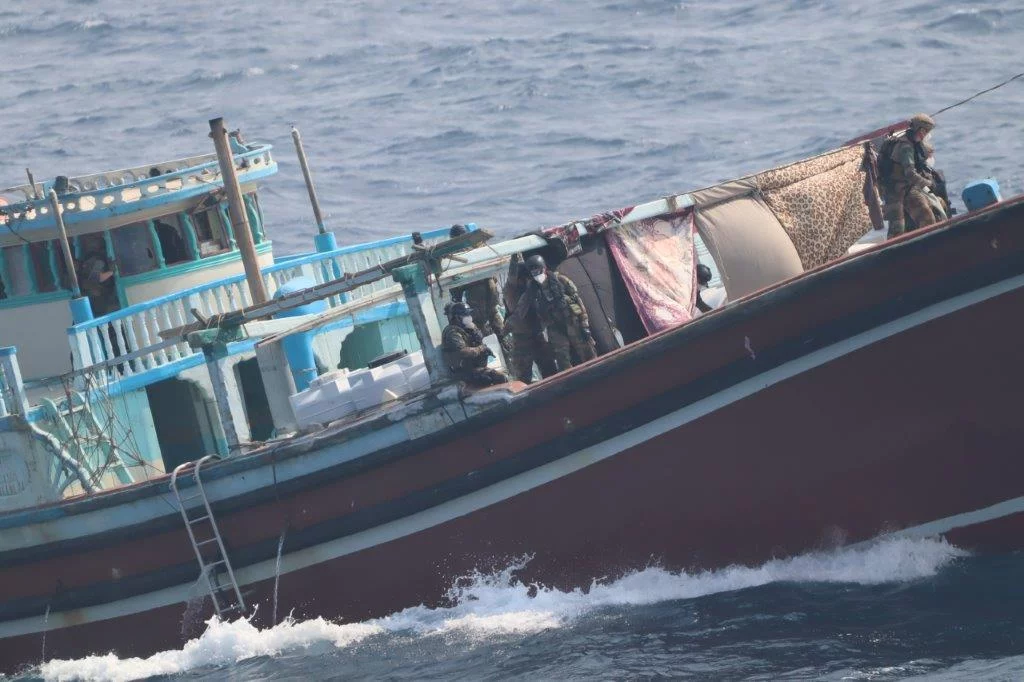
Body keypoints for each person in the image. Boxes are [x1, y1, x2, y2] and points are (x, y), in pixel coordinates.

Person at [520, 254, 596, 372]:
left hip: (571, 321)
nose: (537, 275)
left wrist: (585, 324)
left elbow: (578, 301)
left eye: (538, 271)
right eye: (534, 273)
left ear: (544, 269)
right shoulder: (533, 290)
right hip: (554, 327)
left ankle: (595, 370)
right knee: (562, 359)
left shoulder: (561, 280)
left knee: (587, 351)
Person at [878, 113, 944, 239]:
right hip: (893, 191)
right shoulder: (905, 147)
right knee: (897, 230)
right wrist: (928, 183)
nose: (926, 135)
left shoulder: (914, 144)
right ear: (921, 130)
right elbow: (910, 174)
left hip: (908, 188)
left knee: (927, 217)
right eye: (926, 131)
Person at [502, 256, 557, 383]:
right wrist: (514, 258)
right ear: (521, 278)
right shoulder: (512, 290)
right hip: (522, 337)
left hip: (536, 334)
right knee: (523, 377)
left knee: (549, 369)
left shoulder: (530, 289)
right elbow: (511, 275)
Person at [447, 224, 505, 340]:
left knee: (480, 324)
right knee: (494, 316)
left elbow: (456, 281)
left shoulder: (456, 252)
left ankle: (486, 347)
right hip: (491, 287)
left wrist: (456, 298)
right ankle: (505, 343)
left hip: (477, 292)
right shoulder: (479, 245)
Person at [441, 301, 509, 387]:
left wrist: (475, 332)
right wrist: (481, 349)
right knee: (487, 379)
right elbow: (462, 352)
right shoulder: (452, 332)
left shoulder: (468, 328)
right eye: (465, 314)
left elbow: (480, 341)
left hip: (476, 368)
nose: (469, 317)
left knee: (501, 377)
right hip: (461, 373)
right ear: (457, 317)